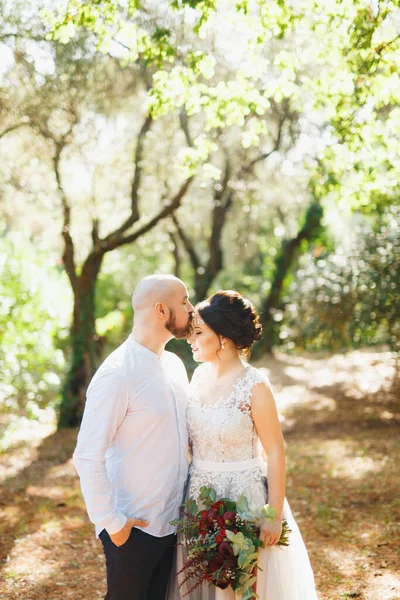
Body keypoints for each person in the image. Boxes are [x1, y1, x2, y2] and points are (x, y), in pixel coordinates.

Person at [168, 290, 318, 599]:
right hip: (201, 500)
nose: (191, 339)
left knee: (245, 590)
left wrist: (273, 515)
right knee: (209, 586)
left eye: (198, 332)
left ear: (222, 337)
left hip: (244, 499)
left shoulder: (255, 385)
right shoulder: (197, 377)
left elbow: (275, 450)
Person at [73, 274, 194, 600]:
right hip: (134, 528)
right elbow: (87, 455)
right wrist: (113, 524)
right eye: (184, 302)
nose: (191, 309)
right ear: (161, 310)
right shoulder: (117, 373)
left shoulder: (174, 365)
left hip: (173, 524)